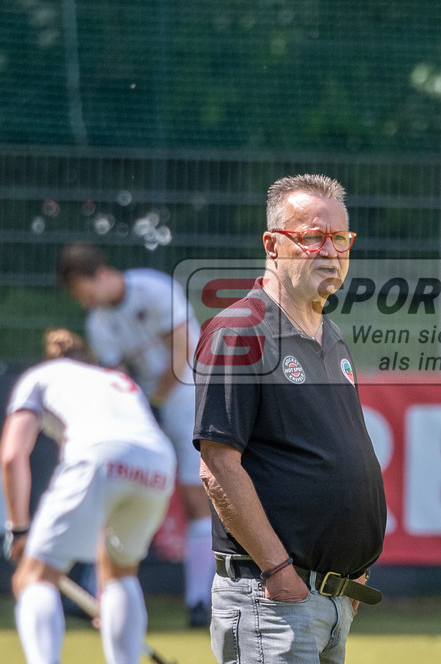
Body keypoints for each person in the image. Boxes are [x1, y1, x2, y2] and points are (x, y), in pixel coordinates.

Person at [193, 173, 387, 664]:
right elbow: (218, 467)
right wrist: (279, 571)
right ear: (272, 244)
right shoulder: (240, 331)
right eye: (312, 237)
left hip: (331, 599)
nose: (330, 251)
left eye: (340, 238)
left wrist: (349, 575)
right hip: (272, 598)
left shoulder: (333, 336)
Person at [57, 242, 216, 627]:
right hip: (148, 409)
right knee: (120, 495)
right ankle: (97, 591)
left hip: (192, 397)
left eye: (83, 292)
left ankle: (200, 602)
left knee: (197, 500)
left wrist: (156, 402)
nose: (85, 303)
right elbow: (117, 375)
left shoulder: (153, 289)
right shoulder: (99, 324)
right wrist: (138, 410)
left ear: (99, 274)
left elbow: (183, 350)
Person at [2, 329, 176, 664]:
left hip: (101, 455)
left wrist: (19, 529)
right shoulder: (116, 381)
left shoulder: (39, 376)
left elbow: (12, 456)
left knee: (34, 577)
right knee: (120, 572)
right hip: (158, 462)